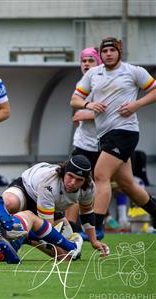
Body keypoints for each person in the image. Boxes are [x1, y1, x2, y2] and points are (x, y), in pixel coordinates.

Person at [70, 36, 156, 238]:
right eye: (105, 51)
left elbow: (154, 90)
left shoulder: (133, 71)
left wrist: (136, 104)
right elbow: (74, 99)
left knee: (100, 175)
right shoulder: (93, 74)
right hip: (104, 136)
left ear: (119, 52)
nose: (108, 54)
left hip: (125, 132)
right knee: (127, 184)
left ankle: (97, 227)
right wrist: (87, 104)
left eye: (112, 50)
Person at [1, 155, 109, 255]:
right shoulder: (50, 183)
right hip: (26, 191)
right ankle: (1, 230)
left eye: (79, 180)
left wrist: (94, 241)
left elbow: (87, 212)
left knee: (66, 255)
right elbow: (46, 226)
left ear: (85, 181)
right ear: (64, 172)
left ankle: (26, 237)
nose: (72, 182)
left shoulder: (88, 187)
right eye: (70, 176)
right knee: (9, 203)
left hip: (52, 208)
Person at [66, 47, 102, 232]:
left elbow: (109, 111)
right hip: (83, 143)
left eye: (91, 60)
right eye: (83, 61)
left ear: (99, 63)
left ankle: (97, 224)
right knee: (73, 183)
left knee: (124, 184)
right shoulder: (83, 82)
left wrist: (83, 114)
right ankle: (71, 227)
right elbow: (75, 106)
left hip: (104, 144)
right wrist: (81, 114)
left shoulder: (104, 82)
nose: (86, 64)